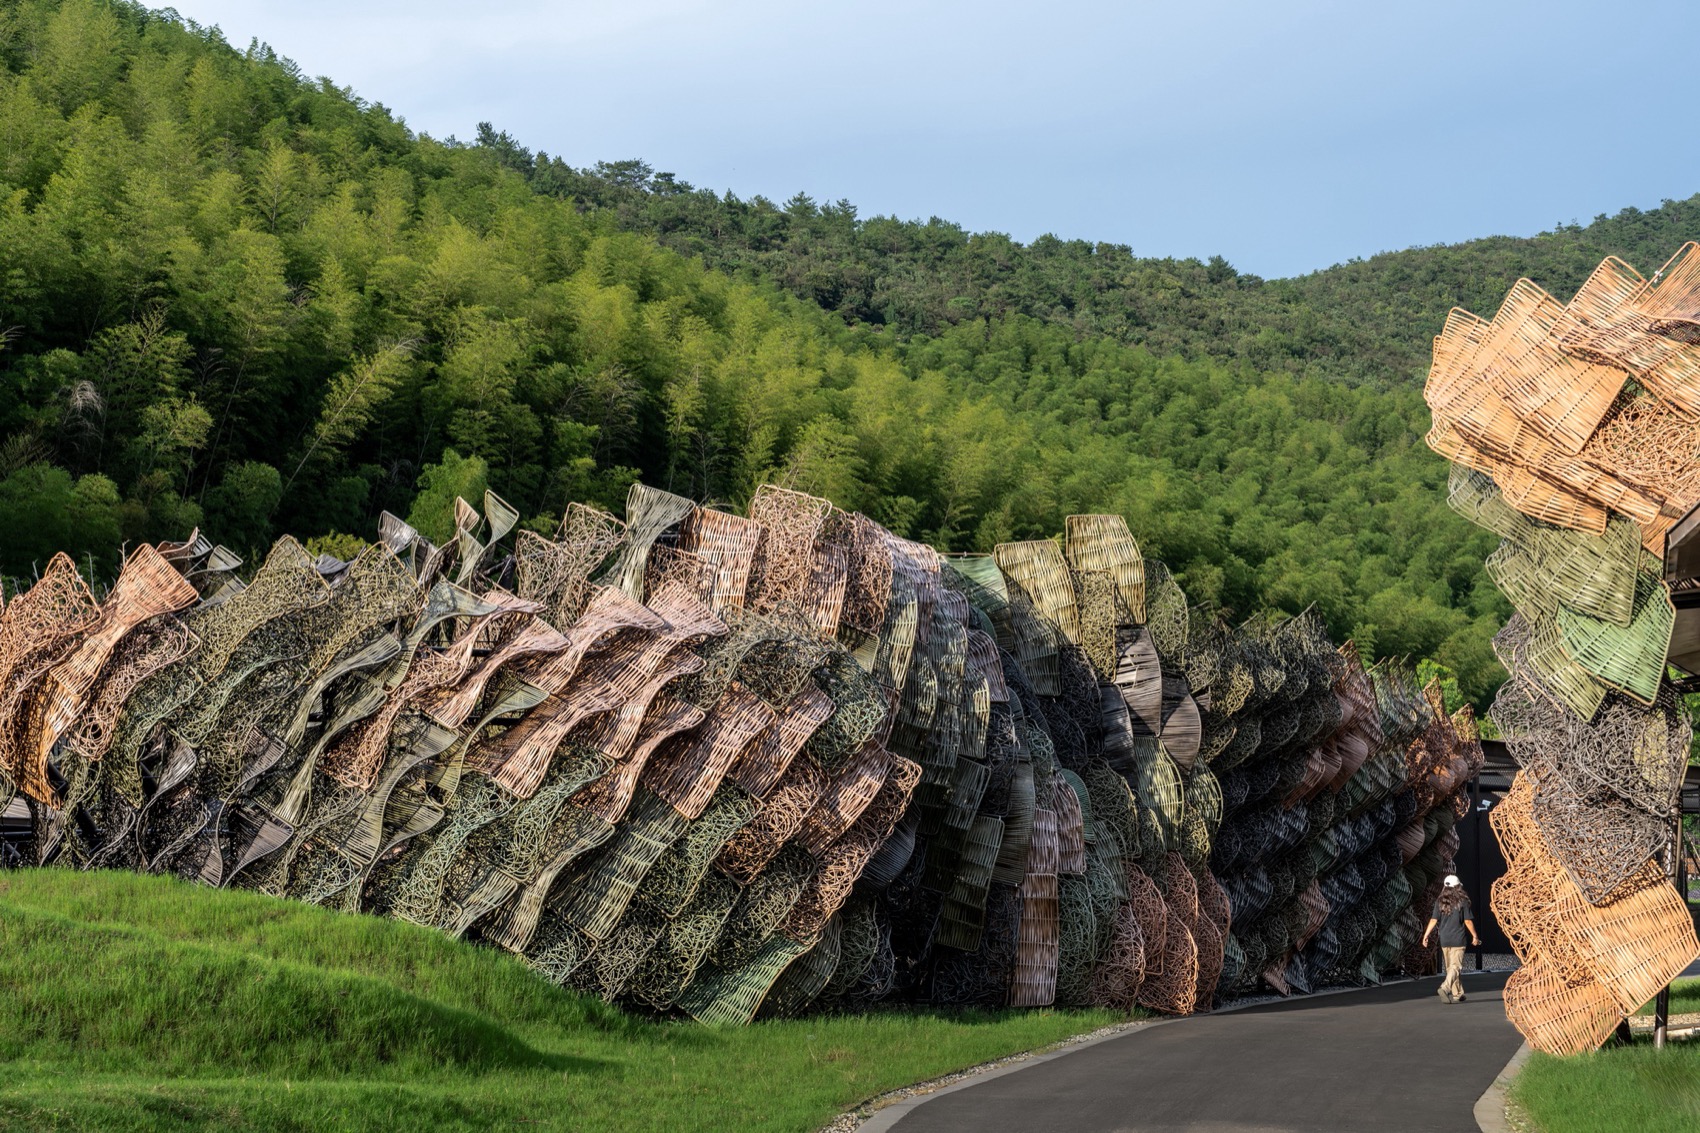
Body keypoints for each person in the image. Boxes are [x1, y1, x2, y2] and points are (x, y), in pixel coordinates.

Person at [1421, 874, 1480, 1003]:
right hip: (1458, 940)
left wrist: (1426, 935)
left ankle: (1457, 994)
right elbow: (1468, 922)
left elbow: (1433, 920)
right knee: (1456, 967)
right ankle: (1445, 987)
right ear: (1458, 887)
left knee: (1450, 967)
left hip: (1445, 940)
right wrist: (1475, 936)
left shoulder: (1439, 901)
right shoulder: (1462, 901)